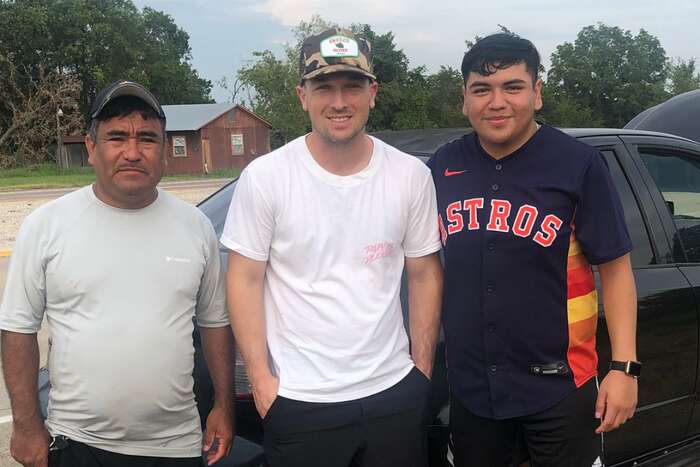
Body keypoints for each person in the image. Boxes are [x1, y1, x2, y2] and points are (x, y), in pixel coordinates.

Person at [221, 29, 443, 467]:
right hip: (300, 400)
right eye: (324, 87)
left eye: (352, 86)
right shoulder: (266, 177)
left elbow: (424, 272)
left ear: (372, 93)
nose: (338, 102)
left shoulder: (410, 175)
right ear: (302, 95)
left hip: (394, 391)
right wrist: (263, 380)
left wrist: (421, 370)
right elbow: (244, 279)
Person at [427, 33, 639, 467]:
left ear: (537, 93)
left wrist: (624, 368)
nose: (497, 102)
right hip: (471, 392)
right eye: (482, 89)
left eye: (513, 87)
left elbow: (616, 272)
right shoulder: (443, 167)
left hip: (559, 387)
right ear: (464, 99)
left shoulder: (577, 164)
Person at [0, 80, 234, 467]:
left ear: (163, 149)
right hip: (77, 442)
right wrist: (26, 426)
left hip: (175, 445)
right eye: (116, 137)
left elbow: (215, 325)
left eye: (146, 138)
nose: (132, 152)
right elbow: (18, 330)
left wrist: (223, 406)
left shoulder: (195, 228)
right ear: (91, 148)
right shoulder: (46, 226)